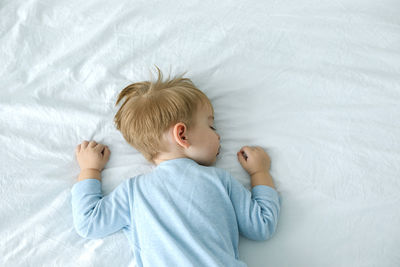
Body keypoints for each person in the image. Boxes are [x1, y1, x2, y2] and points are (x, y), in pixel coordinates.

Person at [72, 66, 281, 267]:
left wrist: (90, 170)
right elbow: (262, 225)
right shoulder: (219, 180)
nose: (218, 135)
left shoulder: (134, 192)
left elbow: (89, 222)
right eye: (211, 126)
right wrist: (259, 172)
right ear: (182, 135)